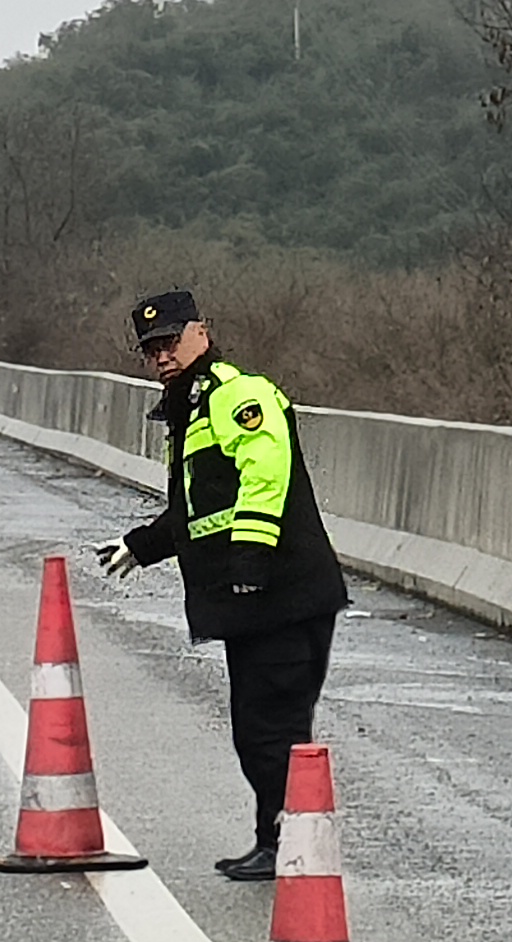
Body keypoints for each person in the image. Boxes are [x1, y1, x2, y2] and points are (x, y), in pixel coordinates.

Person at [93, 286, 349, 881]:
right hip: (255, 604)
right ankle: (283, 840)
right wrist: (139, 546)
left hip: (281, 596)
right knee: (261, 729)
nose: (162, 355)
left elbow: (266, 479)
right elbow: (196, 509)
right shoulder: (191, 410)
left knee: (272, 730)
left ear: (201, 333)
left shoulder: (238, 395)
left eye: (171, 341)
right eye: (151, 348)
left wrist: (250, 570)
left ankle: (291, 845)